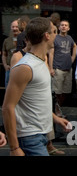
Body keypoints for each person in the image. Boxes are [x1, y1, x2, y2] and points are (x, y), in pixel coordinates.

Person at [2, 17, 70, 156]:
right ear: (46, 36)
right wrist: (14, 148)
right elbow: (8, 107)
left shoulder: (41, 61)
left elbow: (36, 100)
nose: (56, 35)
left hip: (41, 135)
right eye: (54, 31)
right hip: (29, 137)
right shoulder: (25, 67)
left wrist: (55, 118)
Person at [49, 20, 77, 115]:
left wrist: (72, 58)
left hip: (68, 69)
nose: (64, 27)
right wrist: (51, 68)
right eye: (62, 25)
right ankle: (56, 108)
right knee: (57, 91)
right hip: (58, 68)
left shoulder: (69, 38)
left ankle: (59, 107)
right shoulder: (55, 38)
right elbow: (51, 53)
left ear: (68, 28)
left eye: (66, 25)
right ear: (59, 27)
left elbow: (74, 46)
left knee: (66, 91)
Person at [2, 19, 20, 87]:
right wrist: (5, 66)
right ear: (10, 28)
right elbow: (4, 55)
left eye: (16, 27)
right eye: (13, 27)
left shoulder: (24, 40)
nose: (14, 29)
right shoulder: (6, 41)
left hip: (20, 69)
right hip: (9, 69)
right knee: (8, 88)